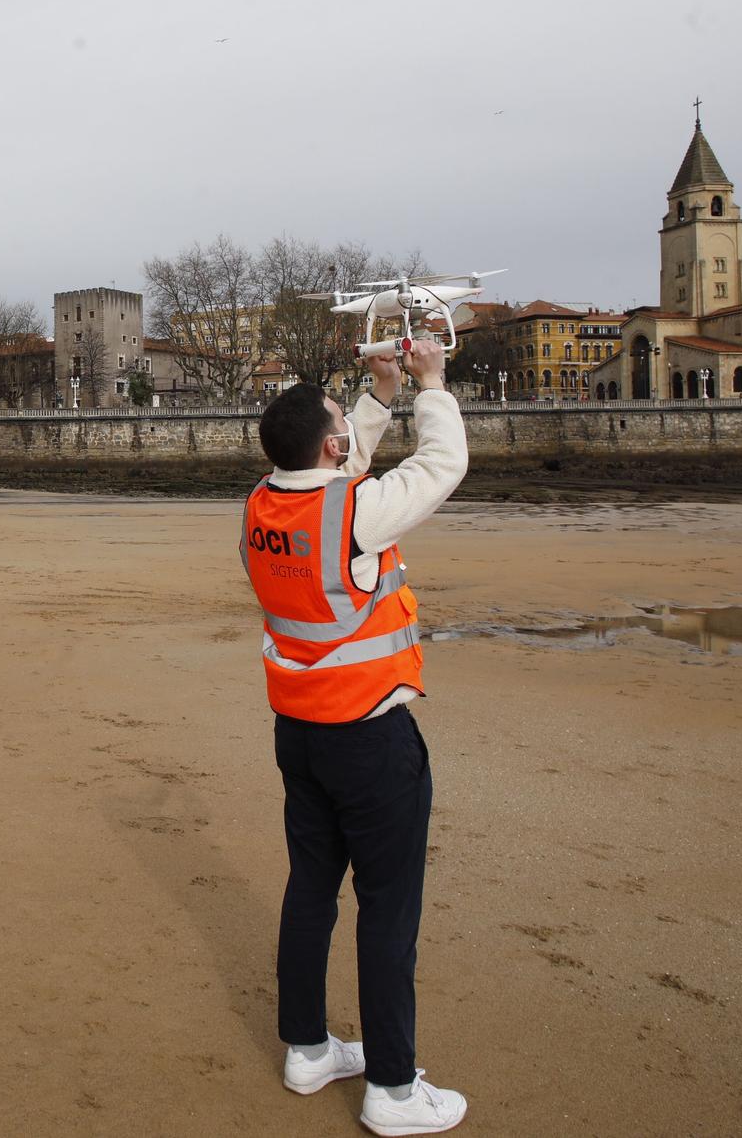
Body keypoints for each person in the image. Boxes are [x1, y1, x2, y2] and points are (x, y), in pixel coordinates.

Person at [241, 339, 469, 1136]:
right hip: (369, 740)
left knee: (311, 889)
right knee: (387, 910)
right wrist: (430, 384)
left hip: (299, 734)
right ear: (332, 448)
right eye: (343, 425)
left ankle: (308, 1048)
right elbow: (442, 464)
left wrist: (376, 392)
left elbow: (337, 466)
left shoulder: (265, 504)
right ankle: (394, 1089)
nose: (349, 437)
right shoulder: (355, 512)